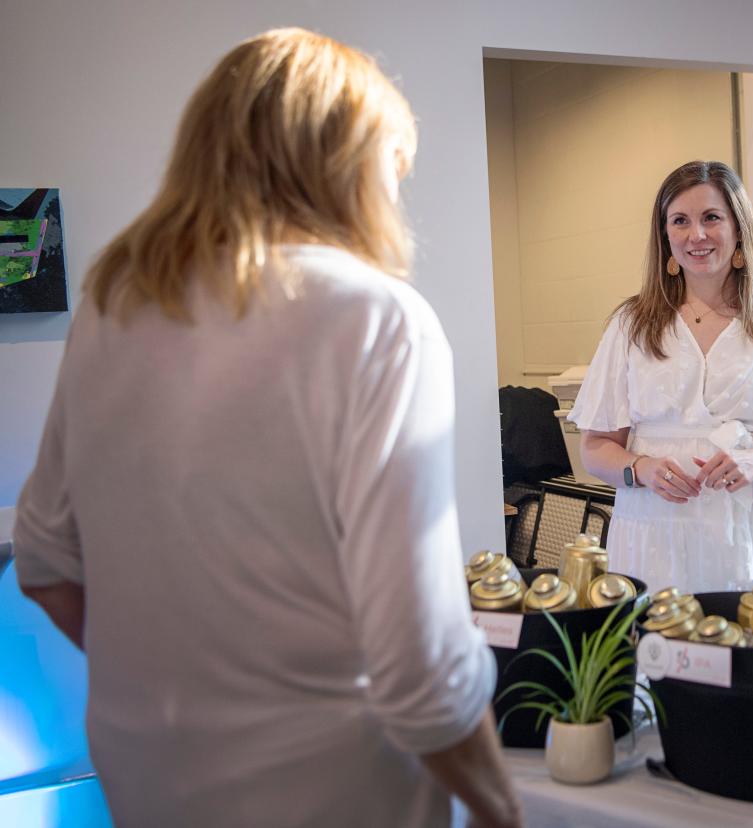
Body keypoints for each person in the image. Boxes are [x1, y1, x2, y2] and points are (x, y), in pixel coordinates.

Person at [13, 28, 522, 828]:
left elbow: (43, 562)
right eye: (391, 169)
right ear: (342, 166)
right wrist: (504, 810)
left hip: (146, 770)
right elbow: (419, 671)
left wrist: (182, 690)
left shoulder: (114, 310)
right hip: (330, 783)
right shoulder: (376, 320)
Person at [570, 160, 753, 593]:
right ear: (665, 235)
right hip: (652, 543)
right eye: (680, 221)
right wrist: (641, 468)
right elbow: (595, 448)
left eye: (712, 218)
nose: (697, 235)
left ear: (738, 227)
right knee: (659, 656)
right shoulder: (631, 325)